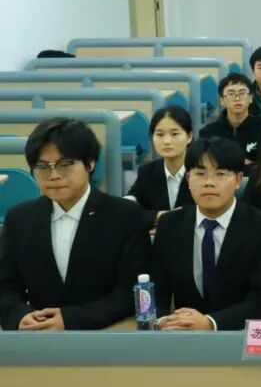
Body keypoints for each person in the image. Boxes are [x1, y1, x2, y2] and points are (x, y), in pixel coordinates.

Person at [0, 118, 150, 330]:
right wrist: (20, 316)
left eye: (65, 164)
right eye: (42, 167)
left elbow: (130, 291)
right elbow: (6, 288)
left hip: (104, 333)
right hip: (37, 336)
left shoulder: (124, 215)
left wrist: (70, 319)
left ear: (90, 163)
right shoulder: (19, 219)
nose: (54, 175)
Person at [152, 138, 261, 330]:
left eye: (220, 174)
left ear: (238, 180)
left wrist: (210, 323)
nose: (209, 183)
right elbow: (156, 290)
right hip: (181, 334)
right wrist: (162, 321)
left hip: (237, 334)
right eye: (200, 174)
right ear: (188, 179)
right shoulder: (170, 225)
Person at [128, 106, 195, 232]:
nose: (166, 141)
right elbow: (130, 210)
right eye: (159, 134)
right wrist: (161, 216)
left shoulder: (201, 170)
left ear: (189, 137)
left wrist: (157, 218)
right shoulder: (147, 172)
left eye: (174, 134)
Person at [199, 73, 261, 166]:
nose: (237, 98)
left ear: (250, 98)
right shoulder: (208, 133)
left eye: (242, 93)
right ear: (222, 100)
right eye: (231, 94)